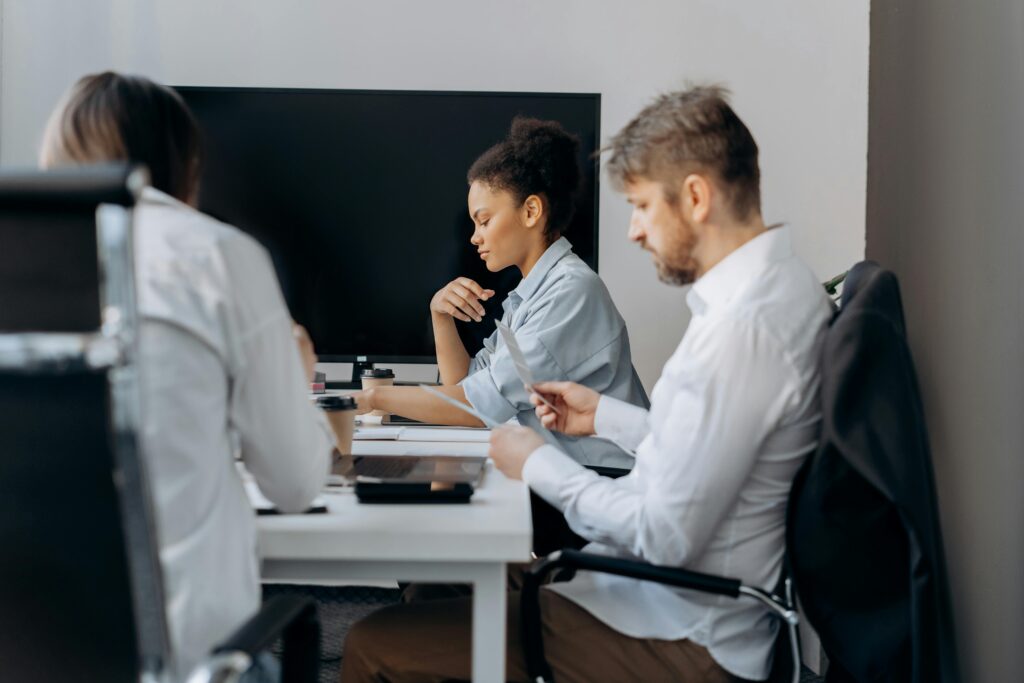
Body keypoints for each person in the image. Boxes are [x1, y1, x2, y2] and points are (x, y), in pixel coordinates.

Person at [341, 86, 832, 682]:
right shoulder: (772, 294)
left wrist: (537, 463)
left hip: (678, 629)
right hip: (649, 590)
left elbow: (666, 532)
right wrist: (603, 416)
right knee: (444, 583)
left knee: (373, 642)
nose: (632, 231)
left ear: (696, 197)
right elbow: (700, 448)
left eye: (643, 206)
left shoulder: (744, 330)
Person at [40, 72, 343, 680]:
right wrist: (298, 379)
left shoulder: (25, 253)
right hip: (187, 663)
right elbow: (294, 484)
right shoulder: (218, 255)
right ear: (183, 164)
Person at [354, 116, 648, 469]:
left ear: (531, 211)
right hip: (568, 472)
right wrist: (440, 315)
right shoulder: (531, 293)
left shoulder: (569, 291)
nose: (474, 237)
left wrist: (374, 397)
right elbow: (465, 386)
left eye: (484, 220)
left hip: (603, 477)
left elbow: (477, 407)